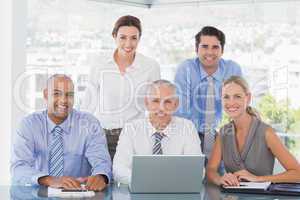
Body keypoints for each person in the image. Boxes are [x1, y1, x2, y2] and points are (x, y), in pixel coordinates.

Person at [11, 74, 112, 191]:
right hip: (40, 193)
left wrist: (101, 176)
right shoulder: (29, 125)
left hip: (78, 194)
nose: (64, 100)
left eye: (69, 95)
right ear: (45, 94)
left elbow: (101, 161)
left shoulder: (89, 124)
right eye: (56, 93)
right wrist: (50, 180)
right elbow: (18, 167)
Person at [83, 15, 160, 160]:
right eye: (123, 37)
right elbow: (88, 102)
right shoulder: (99, 64)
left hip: (134, 137)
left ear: (139, 38)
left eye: (133, 38)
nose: (128, 43)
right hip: (103, 137)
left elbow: (156, 103)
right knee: (103, 179)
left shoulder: (150, 67)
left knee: (130, 180)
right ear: (114, 36)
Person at [206, 76, 300, 186]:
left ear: (248, 98)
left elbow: (297, 173)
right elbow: (211, 169)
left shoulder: (267, 133)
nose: (231, 102)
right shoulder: (223, 133)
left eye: (237, 96)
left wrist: (258, 178)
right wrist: (220, 179)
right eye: (226, 97)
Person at [113, 80, 202, 184]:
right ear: (147, 103)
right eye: (156, 101)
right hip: (140, 190)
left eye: (168, 102)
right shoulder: (131, 129)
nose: (161, 108)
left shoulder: (187, 127)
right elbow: (118, 169)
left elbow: (197, 170)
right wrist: (146, 182)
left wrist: (167, 182)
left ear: (176, 104)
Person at [174, 26, 242, 158]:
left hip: (224, 135)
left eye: (215, 47)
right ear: (196, 49)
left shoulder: (232, 69)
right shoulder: (186, 69)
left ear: (222, 50)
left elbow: (239, 107)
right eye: (204, 46)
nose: (210, 52)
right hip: (190, 133)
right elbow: (181, 111)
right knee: (192, 174)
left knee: (222, 175)